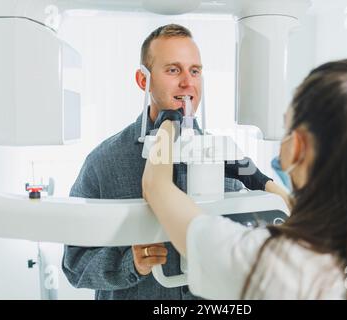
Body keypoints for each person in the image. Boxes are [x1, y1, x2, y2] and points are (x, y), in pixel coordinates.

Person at [142, 59, 347, 299]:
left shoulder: (271, 263)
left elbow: (157, 187)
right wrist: (270, 185)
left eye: (286, 127)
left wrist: (168, 126)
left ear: (297, 146)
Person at [61, 24, 245, 300]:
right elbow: (74, 263)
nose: (188, 82)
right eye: (173, 70)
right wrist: (130, 263)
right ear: (143, 80)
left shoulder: (224, 156)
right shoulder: (103, 163)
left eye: (195, 71)